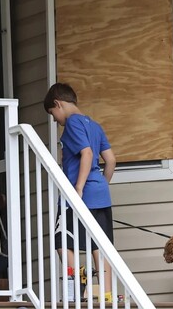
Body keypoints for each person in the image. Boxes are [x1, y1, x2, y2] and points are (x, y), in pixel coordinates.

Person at [44, 82, 116, 303]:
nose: (56, 120)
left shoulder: (73, 123)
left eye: (53, 115)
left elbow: (86, 153)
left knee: (62, 242)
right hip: (100, 194)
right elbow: (111, 160)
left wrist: (78, 189)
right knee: (99, 246)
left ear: (58, 104)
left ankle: (78, 277)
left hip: (78, 196)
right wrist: (99, 187)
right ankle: (105, 294)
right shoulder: (94, 125)